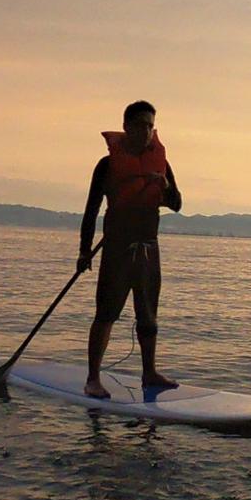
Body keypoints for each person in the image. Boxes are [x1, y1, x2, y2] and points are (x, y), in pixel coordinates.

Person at [77, 100, 183, 400]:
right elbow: (91, 211)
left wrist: (165, 187)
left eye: (151, 126)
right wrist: (84, 251)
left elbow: (176, 205)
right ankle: (93, 378)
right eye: (140, 126)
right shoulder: (108, 164)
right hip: (117, 248)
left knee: (148, 316)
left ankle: (149, 372)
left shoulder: (161, 163)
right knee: (106, 313)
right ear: (126, 127)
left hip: (149, 248)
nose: (146, 132)